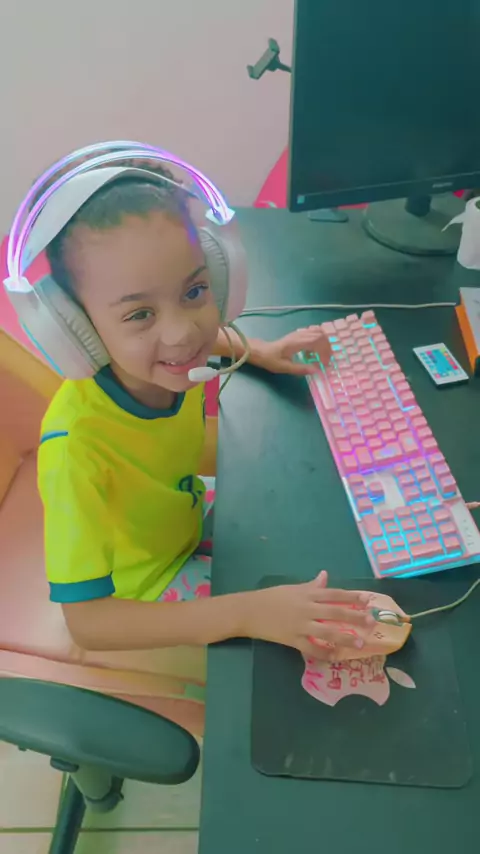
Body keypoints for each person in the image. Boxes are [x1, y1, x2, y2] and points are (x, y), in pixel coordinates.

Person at [37, 158, 374, 661]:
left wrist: (260, 350)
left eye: (194, 290)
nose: (182, 334)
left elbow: (193, 333)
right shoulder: (75, 449)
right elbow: (88, 623)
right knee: (301, 647)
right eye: (139, 314)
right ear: (76, 330)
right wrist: (247, 613)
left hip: (184, 515)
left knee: (310, 530)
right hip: (145, 591)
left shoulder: (167, 363)